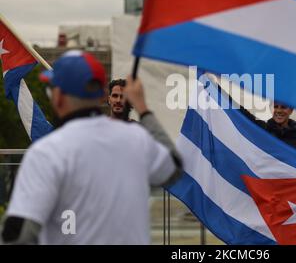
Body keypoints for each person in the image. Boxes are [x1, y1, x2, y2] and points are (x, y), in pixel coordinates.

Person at [0, 50, 182, 244]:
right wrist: (144, 109)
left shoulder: (47, 152)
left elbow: (18, 235)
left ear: (58, 96)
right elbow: (173, 167)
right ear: (104, 95)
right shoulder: (137, 138)